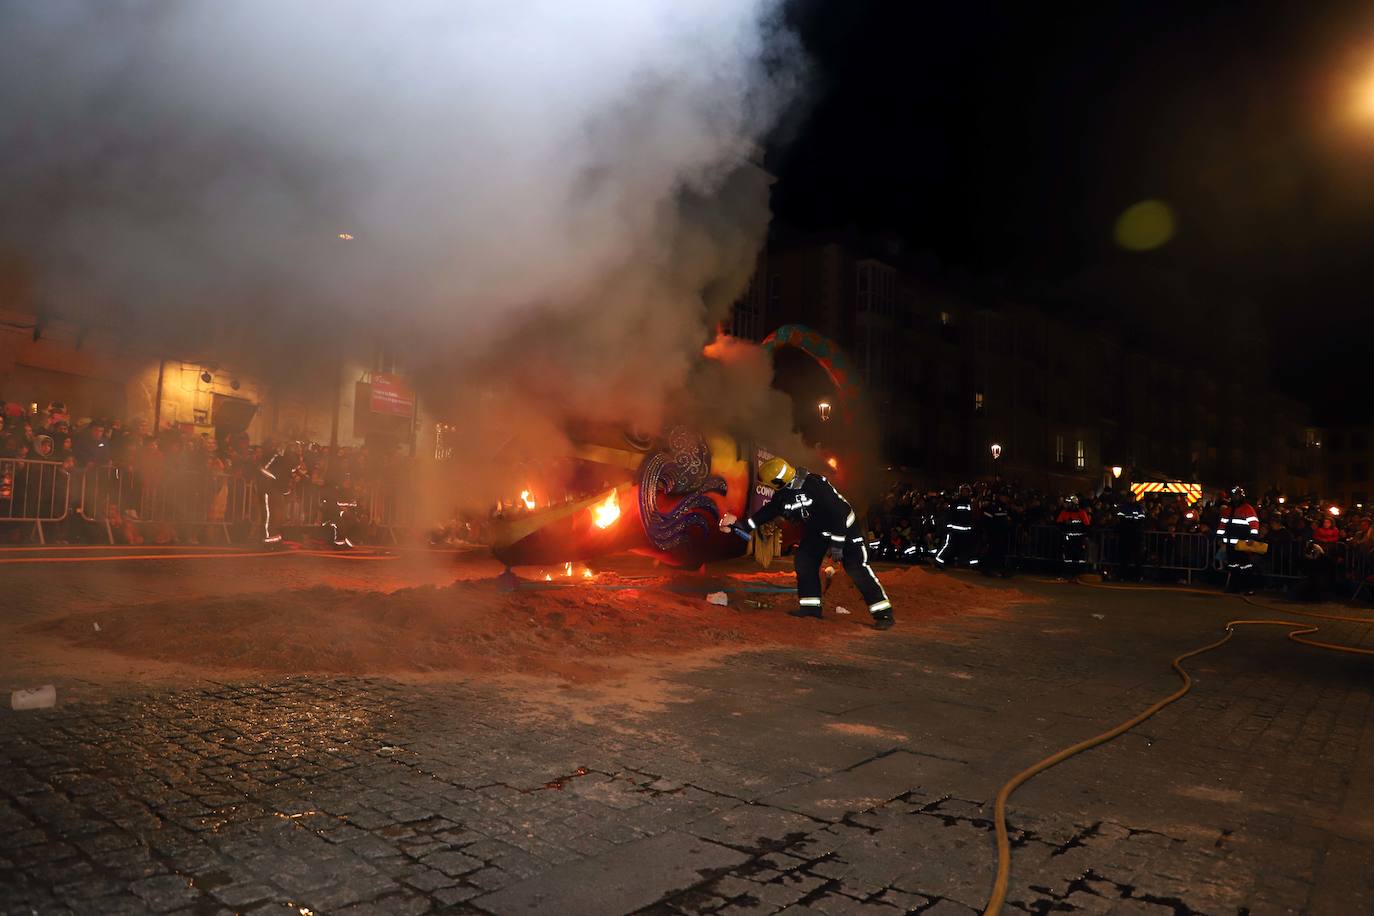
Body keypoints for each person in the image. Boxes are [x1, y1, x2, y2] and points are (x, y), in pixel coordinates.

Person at [719, 456, 894, 629]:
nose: (769, 488)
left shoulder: (815, 484)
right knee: (804, 561)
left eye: (769, 484)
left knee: (856, 568)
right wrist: (743, 526)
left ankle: (883, 614)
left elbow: (838, 514)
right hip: (817, 531)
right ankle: (811, 608)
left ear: (778, 481)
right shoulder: (784, 493)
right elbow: (768, 512)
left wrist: (838, 544)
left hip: (844, 530)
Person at [1218, 485, 1261, 594]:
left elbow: (1254, 525)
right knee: (1233, 566)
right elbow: (1222, 525)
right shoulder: (1228, 510)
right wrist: (1220, 538)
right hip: (1231, 544)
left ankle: (1249, 588)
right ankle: (1234, 587)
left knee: (1246, 567)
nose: (1236, 497)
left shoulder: (1248, 509)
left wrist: (1252, 538)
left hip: (1243, 543)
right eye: (1234, 495)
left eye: (1238, 495)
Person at [935, 484, 977, 568]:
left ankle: (968, 563)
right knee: (949, 545)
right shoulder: (955, 502)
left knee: (967, 547)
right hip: (954, 529)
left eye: (966, 491)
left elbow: (973, 516)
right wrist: (948, 525)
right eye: (963, 491)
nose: (965, 493)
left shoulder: (971, 503)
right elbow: (949, 514)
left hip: (966, 530)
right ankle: (939, 560)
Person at [1113, 490, 1146, 581]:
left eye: (1132, 497)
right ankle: (1123, 576)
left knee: (1137, 558)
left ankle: (1137, 576)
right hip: (1126, 535)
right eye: (1130, 497)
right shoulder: (1124, 507)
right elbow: (1120, 520)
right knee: (1124, 557)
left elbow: (1141, 520)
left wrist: (1132, 524)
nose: (1131, 499)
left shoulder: (1139, 508)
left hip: (1136, 535)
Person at [1055, 494, 1091, 576]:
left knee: (1081, 557)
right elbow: (1059, 524)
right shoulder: (1064, 512)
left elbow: (1087, 526)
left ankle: (1081, 573)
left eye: (1069, 503)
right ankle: (1068, 573)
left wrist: (1084, 536)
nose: (1067, 505)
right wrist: (1064, 531)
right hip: (1068, 538)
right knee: (1068, 557)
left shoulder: (1082, 512)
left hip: (1079, 539)